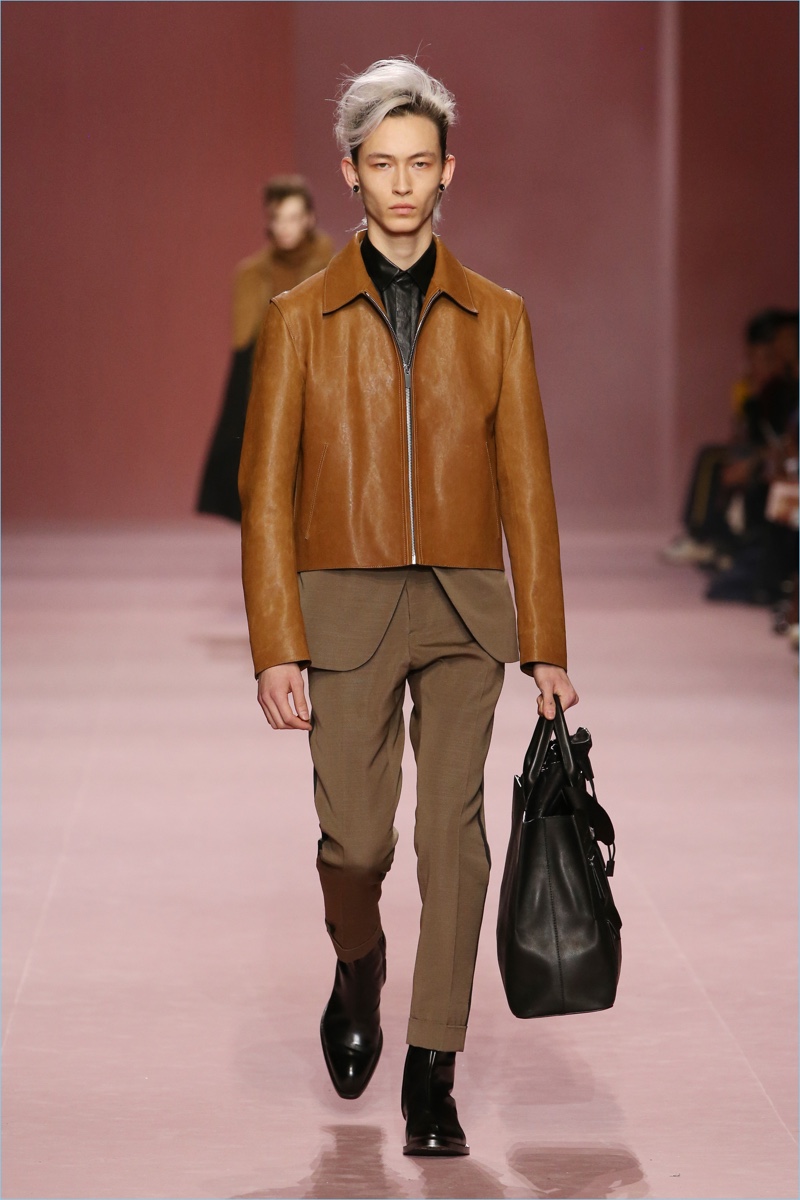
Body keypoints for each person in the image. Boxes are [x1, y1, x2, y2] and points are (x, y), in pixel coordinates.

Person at [239, 58, 578, 1157]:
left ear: (447, 172)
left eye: (418, 163)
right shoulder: (297, 318)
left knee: (452, 839)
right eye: (380, 164)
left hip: (465, 609)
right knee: (353, 840)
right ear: (348, 172)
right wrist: (275, 643)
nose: (400, 183)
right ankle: (358, 963)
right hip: (340, 604)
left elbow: (527, 485)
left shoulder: (497, 317)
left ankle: (432, 1069)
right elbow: (265, 493)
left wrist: (544, 642)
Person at [197, 176, 333, 521]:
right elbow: (244, 350)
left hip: (321, 385)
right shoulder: (252, 275)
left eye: (293, 218)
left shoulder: (334, 269)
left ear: (309, 219)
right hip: (267, 383)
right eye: (277, 218)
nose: (284, 227)